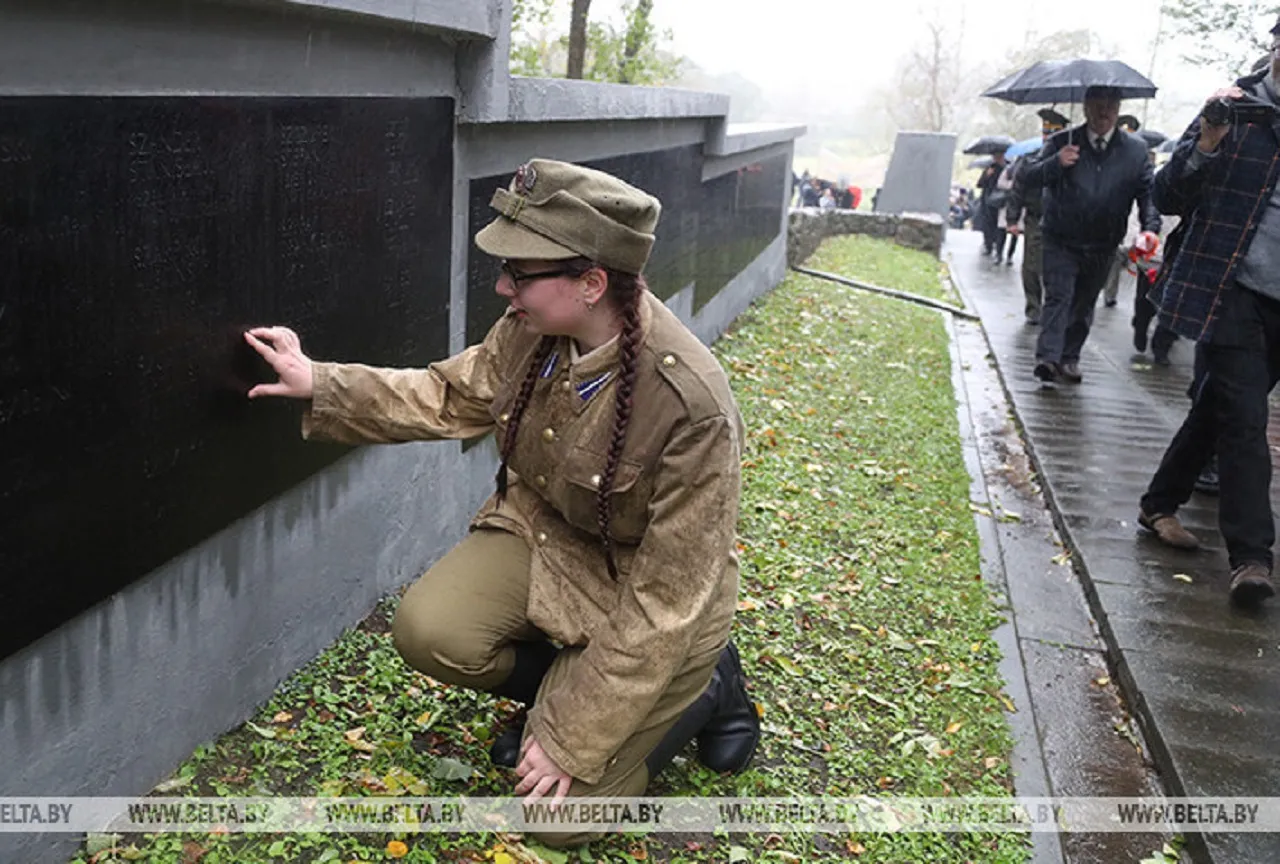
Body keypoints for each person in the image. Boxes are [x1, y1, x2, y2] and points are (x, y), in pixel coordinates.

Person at [243, 159, 762, 838]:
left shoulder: (692, 406)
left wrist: (573, 735)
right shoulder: (531, 329)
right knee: (432, 631)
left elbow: (666, 601)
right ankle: (563, 694)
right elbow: (448, 395)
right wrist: (321, 381)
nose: (502, 288)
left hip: (650, 597)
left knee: (558, 823)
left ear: (591, 283)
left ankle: (707, 688)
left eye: (519, 273)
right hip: (546, 538)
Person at [1137, 17, 1280, 606]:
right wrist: (1207, 143)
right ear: (1275, 46)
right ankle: (1252, 558)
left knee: (1215, 407)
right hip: (1230, 289)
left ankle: (1157, 504)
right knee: (1245, 421)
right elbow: (1167, 194)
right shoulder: (1232, 109)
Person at [1022, 86, 1161, 384]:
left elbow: (1148, 193)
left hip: (1103, 242)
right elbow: (1029, 177)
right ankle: (1048, 358)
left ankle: (1069, 357)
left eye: (1110, 105)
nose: (1103, 111)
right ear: (1085, 107)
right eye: (1097, 104)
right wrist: (1056, 163)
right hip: (1061, 238)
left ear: (1118, 109)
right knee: (1058, 296)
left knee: (1084, 302)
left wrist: (1150, 227)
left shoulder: (1135, 150)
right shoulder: (1062, 142)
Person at [1006, 108, 1069, 324]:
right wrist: (1012, 219)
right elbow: (1017, 190)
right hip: (1036, 218)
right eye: (1045, 132)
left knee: (1060, 267)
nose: (1048, 137)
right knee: (1032, 265)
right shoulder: (1030, 160)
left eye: (1054, 132)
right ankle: (1034, 307)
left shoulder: (1073, 160)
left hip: (1064, 220)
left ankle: (1056, 307)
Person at [976, 153, 1009, 261]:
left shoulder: (1008, 167)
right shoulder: (990, 167)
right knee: (987, 223)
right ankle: (988, 245)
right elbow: (979, 184)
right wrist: (987, 175)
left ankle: (998, 247)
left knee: (1000, 225)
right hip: (988, 200)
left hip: (1002, 200)